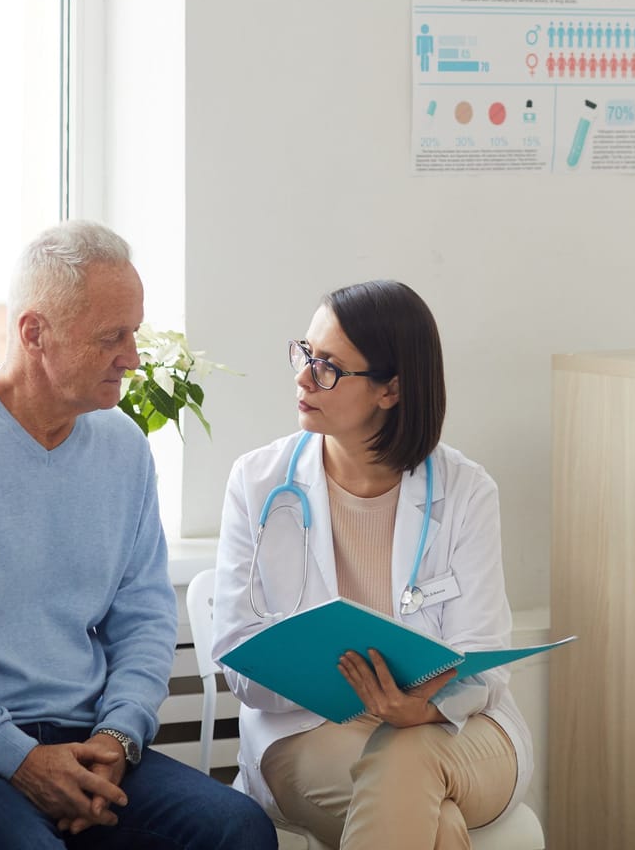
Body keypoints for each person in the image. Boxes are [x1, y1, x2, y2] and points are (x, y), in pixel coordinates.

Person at [0, 221, 275, 850]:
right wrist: (19, 760)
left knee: (236, 828)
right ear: (34, 333)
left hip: (90, 737)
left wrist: (117, 739)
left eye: (135, 333)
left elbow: (143, 617)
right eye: (111, 336)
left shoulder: (124, 449)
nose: (134, 357)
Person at [210, 280, 531, 849]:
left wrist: (421, 710)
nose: (303, 378)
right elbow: (239, 657)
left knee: (408, 759)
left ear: (391, 390)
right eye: (304, 354)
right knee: (436, 823)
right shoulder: (257, 483)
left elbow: (483, 660)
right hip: (311, 732)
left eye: (328, 366)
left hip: (457, 732)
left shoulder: (466, 490)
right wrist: (348, 686)